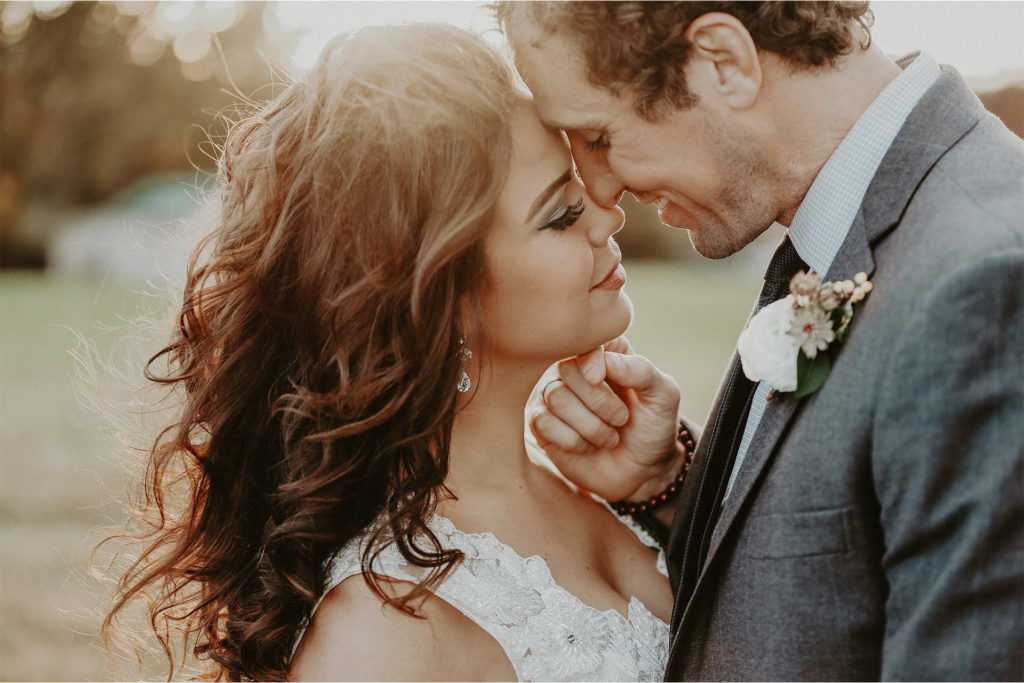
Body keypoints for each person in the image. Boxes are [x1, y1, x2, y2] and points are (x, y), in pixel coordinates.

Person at [100, 23, 681, 681]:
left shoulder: (610, 488)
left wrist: (662, 491)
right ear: (439, 292)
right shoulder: (382, 629)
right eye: (562, 214)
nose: (609, 216)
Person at [496, 1, 1024, 680]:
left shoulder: (984, 285)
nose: (601, 188)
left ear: (724, 61)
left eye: (598, 135)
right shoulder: (845, 228)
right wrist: (668, 486)